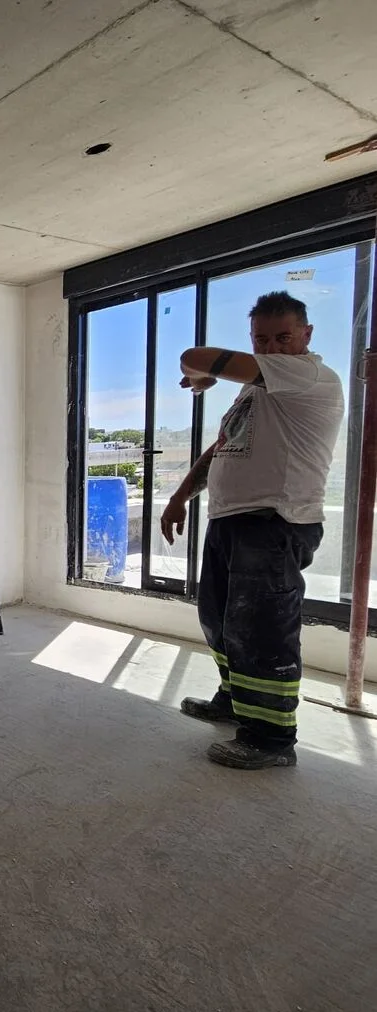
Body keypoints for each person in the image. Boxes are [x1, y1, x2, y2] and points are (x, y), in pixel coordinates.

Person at [160, 290, 344, 769]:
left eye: (283, 337)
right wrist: (180, 497)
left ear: (307, 334)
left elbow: (193, 357)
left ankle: (271, 739)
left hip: (275, 521)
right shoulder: (255, 391)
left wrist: (201, 375)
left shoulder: (309, 375)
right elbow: (224, 447)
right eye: (261, 339)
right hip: (233, 520)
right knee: (222, 622)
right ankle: (235, 701)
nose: (272, 347)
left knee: (262, 631)